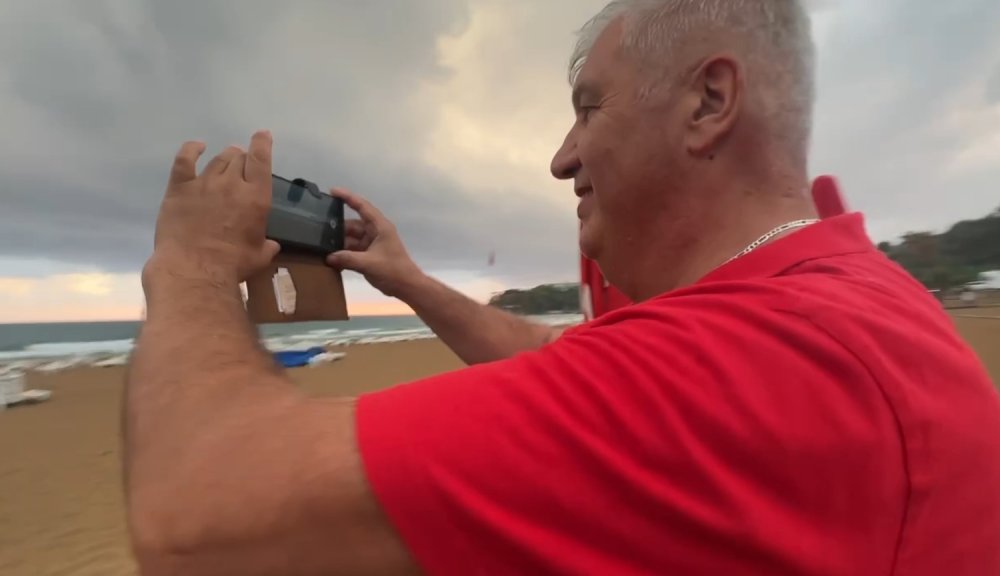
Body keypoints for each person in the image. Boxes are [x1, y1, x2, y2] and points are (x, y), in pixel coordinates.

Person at [124, 1, 1000, 575]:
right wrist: (411, 284)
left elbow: (193, 512)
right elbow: (567, 357)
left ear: (709, 102)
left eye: (590, 108)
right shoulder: (832, 296)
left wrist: (191, 266)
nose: (562, 158)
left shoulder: (757, 365)